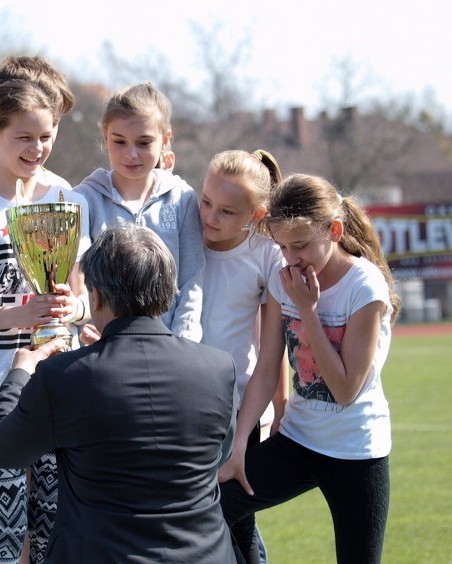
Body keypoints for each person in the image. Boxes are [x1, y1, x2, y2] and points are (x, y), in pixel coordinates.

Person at [0, 224, 236, 563]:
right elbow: (217, 454)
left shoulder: (63, 376)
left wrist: (19, 372)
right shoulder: (218, 368)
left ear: (96, 295)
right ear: (166, 290)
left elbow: (1, 450)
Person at [0, 79, 90, 564]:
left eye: (45, 136)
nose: (37, 148)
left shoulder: (66, 206)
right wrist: (19, 314)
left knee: (54, 527)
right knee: (6, 531)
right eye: (23, 136)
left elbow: (85, 299)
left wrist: (73, 309)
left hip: (57, 387)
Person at [218, 174, 401, 564]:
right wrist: (238, 446)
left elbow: (346, 389)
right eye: (282, 246)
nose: (290, 258)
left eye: (300, 245)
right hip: (299, 442)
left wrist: (308, 310)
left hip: (357, 451)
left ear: (334, 231)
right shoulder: (283, 279)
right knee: (213, 506)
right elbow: (267, 369)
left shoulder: (364, 287)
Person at [199, 149, 289, 562]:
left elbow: (271, 354)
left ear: (256, 215)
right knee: (194, 525)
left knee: (237, 523)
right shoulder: (185, 234)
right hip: (181, 407)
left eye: (227, 212)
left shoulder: (266, 255)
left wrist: (270, 414)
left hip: (238, 412)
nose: (211, 217)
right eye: (206, 203)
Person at [74, 82, 205, 342]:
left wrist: (182, 345)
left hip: (168, 349)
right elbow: (80, 282)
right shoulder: (84, 198)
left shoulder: (181, 198)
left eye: (144, 142)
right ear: (105, 135)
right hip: (103, 349)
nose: (131, 154)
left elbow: (192, 281)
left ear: (165, 139)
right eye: (119, 142)